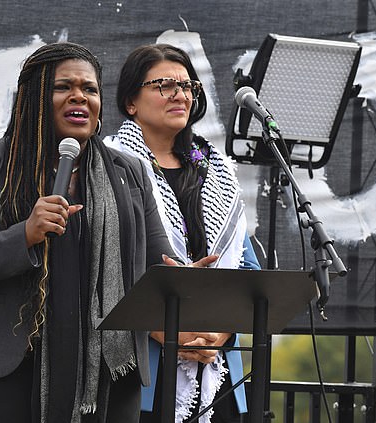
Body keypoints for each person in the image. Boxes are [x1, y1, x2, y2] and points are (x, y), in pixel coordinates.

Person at [0, 42, 214, 423]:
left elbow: (155, 265)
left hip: (109, 382)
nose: (79, 96)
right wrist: (23, 235)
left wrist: (178, 281)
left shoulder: (129, 172)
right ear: (34, 96)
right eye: (64, 87)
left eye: (90, 89)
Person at [106, 44, 261, 423]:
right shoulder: (107, 165)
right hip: (141, 370)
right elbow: (99, 271)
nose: (180, 94)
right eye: (163, 85)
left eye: (188, 85)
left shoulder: (217, 171)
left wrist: (222, 331)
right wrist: (165, 330)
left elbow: (248, 271)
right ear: (130, 101)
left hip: (215, 366)